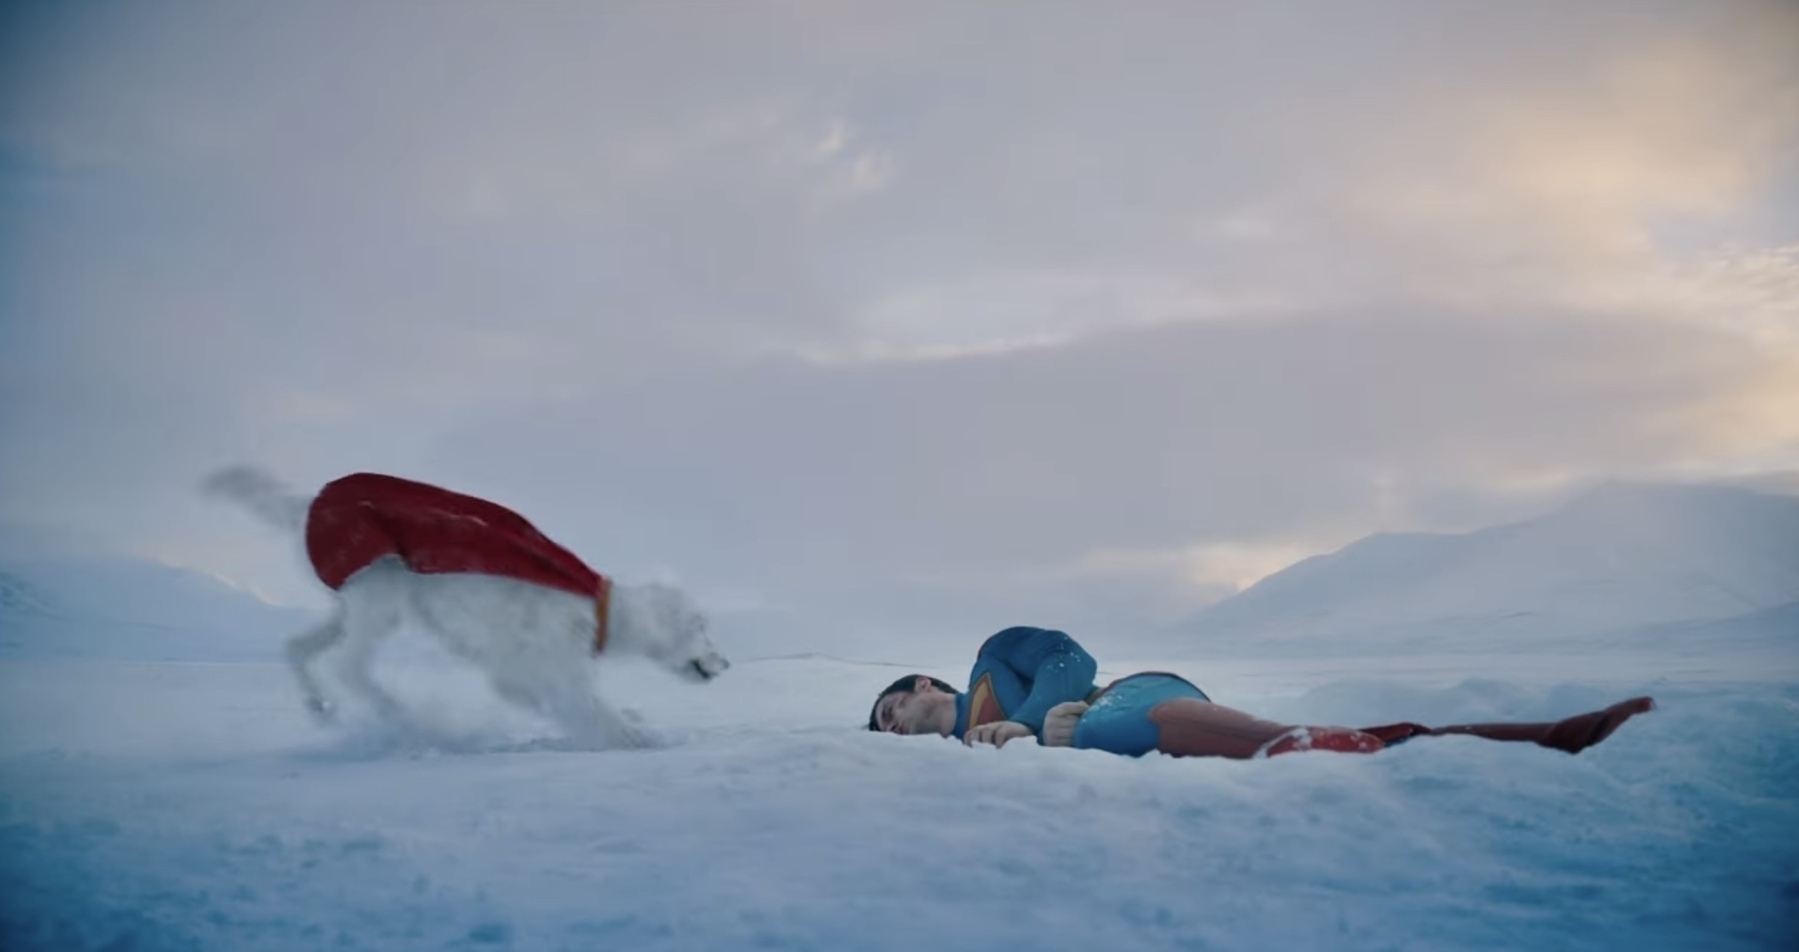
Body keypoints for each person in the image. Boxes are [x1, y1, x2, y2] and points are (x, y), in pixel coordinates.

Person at [868, 626, 1655, 758]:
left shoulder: (989, 661)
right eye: (883, 730)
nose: (891, 724)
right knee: (1340, 743)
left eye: (888, 708)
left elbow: (1072, 662)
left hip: (1134, 694)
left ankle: (1297, 743)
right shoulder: (958, 756)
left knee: (1101, 731)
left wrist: (1034, 728)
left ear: (922, 684)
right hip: (1141, 733)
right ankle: (1541, 736)